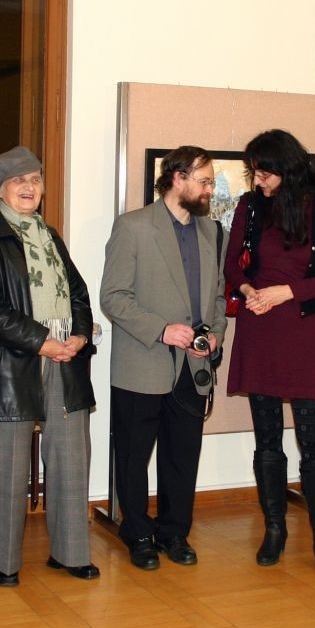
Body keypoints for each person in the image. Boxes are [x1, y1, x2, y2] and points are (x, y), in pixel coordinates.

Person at [0, 147, 97, 586]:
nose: (29, 187)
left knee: (71, 459)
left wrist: (79, 335)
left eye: (35, 179)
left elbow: (77, 292)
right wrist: (44, 342)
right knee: (8, 466)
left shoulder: (50, 235)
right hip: (12, 362)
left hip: (65, 359)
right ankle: (5, 563)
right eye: (19, 180)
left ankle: (71, 554)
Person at [223, 129, 315, 582]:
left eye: (264, 173)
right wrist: (247, 290)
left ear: (288, 168)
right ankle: (274, 530)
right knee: (267, 439)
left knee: (314, 443)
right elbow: (232, 263)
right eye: (254, 173)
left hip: (304, 329)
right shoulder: (249, 206)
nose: (258, 182)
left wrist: (286, 292)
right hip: (260, 326)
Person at [100, 146, 226, 570]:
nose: (209, 190)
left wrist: (216, 336)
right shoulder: (133, 227)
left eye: (211, 182)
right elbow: (113, 297)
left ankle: (174, 533)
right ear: (177, 178)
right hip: (143, 363)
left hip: (194, 368)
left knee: (182, 457)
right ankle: (137, 533)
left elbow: (218, 297)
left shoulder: (213, 233)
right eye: (204, 181)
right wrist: (162, 330)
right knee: (134, 457)